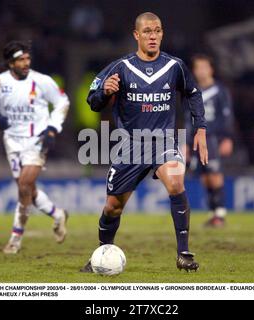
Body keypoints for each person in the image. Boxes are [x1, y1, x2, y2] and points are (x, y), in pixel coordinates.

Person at [80, 12, 208, 272]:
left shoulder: (175, 66)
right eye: (147, 31)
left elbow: (193, 94)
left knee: (176, 182)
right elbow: (92, 101)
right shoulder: (120, 67)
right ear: (136, 35)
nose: (153, 36)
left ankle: (183, 253)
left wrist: (200, 128)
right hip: (130, 145)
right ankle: (102, 253)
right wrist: (105, 92)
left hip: (163, 141)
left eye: (158, 31)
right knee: (113, 207)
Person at [0, 41, 70, 254]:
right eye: (21, 59)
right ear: (10, 62)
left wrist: (52, 129)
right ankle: (58, 214)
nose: (26, 63)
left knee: (23, 186)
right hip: (11, 141)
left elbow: (62, 102)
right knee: (27, 188)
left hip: (36, 140)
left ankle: (15, 238)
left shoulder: (42, 81)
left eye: (28, 58)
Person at [185, 54, 234, 227]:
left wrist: (227, 137)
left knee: (214, 173)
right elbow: (187, 119)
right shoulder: (192, 92)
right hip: (196, 140)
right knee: (204, 177)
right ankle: (213, 212)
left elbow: (227, 116)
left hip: (213, 138)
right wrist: (186, 143)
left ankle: (220, 213)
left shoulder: (220, 91)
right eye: (198, 68)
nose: (201, 71)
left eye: (204, 67)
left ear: (211, 69)